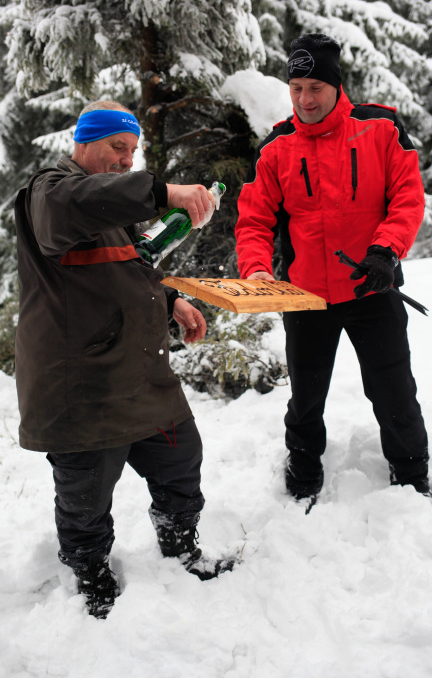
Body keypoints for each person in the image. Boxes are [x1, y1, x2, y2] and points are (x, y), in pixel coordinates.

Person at [14, 100, 234, 619]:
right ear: (84, 141)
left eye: (133, 152)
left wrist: (170, 300)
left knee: (181, 461)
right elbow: (76, 207)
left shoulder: (113, 207)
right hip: (82, 382)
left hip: (139, 373)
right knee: (86, 495)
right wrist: (163, 191)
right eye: (117, 147)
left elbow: (128, 268)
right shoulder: (49, 193)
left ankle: (180, 545)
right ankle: (90, 574)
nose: (126, 160)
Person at [235, 33, 429, 503]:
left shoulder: (380, 128)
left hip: (372, 287)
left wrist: (385, 252)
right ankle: (303, 470)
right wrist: (257, 270)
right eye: (296, 88)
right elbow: (254, 220)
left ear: (336, 85)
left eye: (315, 87)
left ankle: (411, 473)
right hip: (305, 296)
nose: (305, 99)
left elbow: (407, 197)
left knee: (393, 391)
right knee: (305, 396)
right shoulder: (277, 147)